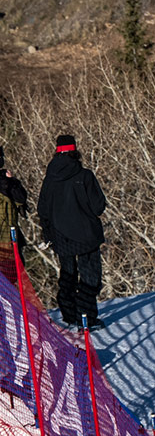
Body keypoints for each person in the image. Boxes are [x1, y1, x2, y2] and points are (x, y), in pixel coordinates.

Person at [37, 133, 106, 329]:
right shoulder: (85, 176)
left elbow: (43, 210)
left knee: (67, 276)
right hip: (86, 235)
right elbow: (99, 206)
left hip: (61, 237)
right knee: (90, 277)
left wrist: (49, 234)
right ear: (75, 151)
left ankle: (69, 316)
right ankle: (87, 319)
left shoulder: (49, 180)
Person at [0, 145, 25, 291]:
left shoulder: (6, 181)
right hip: (8, 240)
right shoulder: (7, 182)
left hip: (10, 239)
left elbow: (20, 199)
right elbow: (21, 199)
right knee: (10, 283)